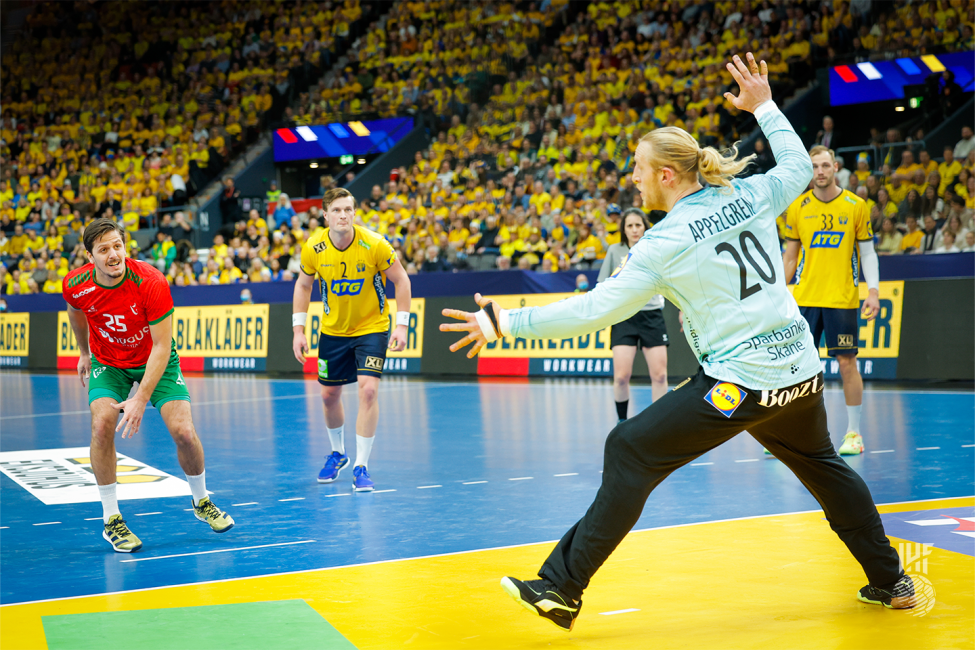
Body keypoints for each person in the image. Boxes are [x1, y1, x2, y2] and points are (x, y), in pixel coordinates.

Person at [440, 54, 912, 632]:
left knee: (630, 449)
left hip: (742, 383)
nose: (632, 177)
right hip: (800, 370)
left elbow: (595, 309)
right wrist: (763, 103)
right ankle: (892, 580)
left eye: (638, 167)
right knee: (825, 466)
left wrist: (504, 326)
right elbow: (793, 159)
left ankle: (561, 587)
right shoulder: (752, 193)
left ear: (666, 174)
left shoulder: (663, 244)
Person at [63, 218, 233, 553]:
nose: (113, 254)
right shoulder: (76, 284)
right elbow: (74, 310)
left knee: (184, 431)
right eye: (104, 249)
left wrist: (141, 397)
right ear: (89, 256)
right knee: (101, 426)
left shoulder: (151, 281)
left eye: (117, 245)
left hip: (156, 359)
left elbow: (161, 345)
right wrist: (84, 352)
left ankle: (202, 501)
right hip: (109, 362)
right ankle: (112, 519)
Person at [291, 188, 413, 492]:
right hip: (333, 331)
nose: (343, 215)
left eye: (348, 209)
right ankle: (338, 453)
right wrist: (298, 330)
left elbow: (401, 280)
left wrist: (402, 326)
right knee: (328, 396)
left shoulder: (374, 244)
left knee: (368, 391)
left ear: (354, 213)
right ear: (325, 215)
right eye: (337, 210)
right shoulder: (313, 248)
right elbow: (304, 286)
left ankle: (362, 465)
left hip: (372, 327)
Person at [782, 145, 879, 456]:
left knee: (847, 364)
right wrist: (779, 292)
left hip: (842, 299)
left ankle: (854, 433)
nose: (820, 172)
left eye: (825, 165)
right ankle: (791, 432)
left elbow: (867, 253)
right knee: (796, 368)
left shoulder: (856, 205)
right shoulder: (798, 207)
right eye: (814, 167)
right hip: (806, 298)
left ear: (835, 167)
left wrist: (873, 291)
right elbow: (790, 257)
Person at [598, 208, 669, 421]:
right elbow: (603, 285)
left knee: (660, 375)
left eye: (638, 225)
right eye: (630, 226)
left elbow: (670, 282)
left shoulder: (655, 249)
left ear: (645, 227)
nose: (634, 229)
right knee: (621, 377)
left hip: (652, 316)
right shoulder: (614, 251)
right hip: (624, 317)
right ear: (624, 229)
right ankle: (622, 422)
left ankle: (658, 423)